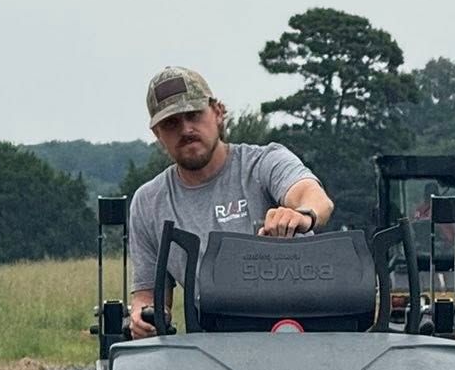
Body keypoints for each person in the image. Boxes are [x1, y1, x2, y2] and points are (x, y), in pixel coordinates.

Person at [127, 66, 334, 336]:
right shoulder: (148, 203)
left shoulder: (263, 164)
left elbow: (315, 198)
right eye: (171, 123)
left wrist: (301, 215)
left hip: (294, 328)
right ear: (157, 134)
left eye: (193, 115)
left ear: (218, 112)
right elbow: (148, 295)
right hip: (211, 341)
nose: (186, 129)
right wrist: (143, 316)